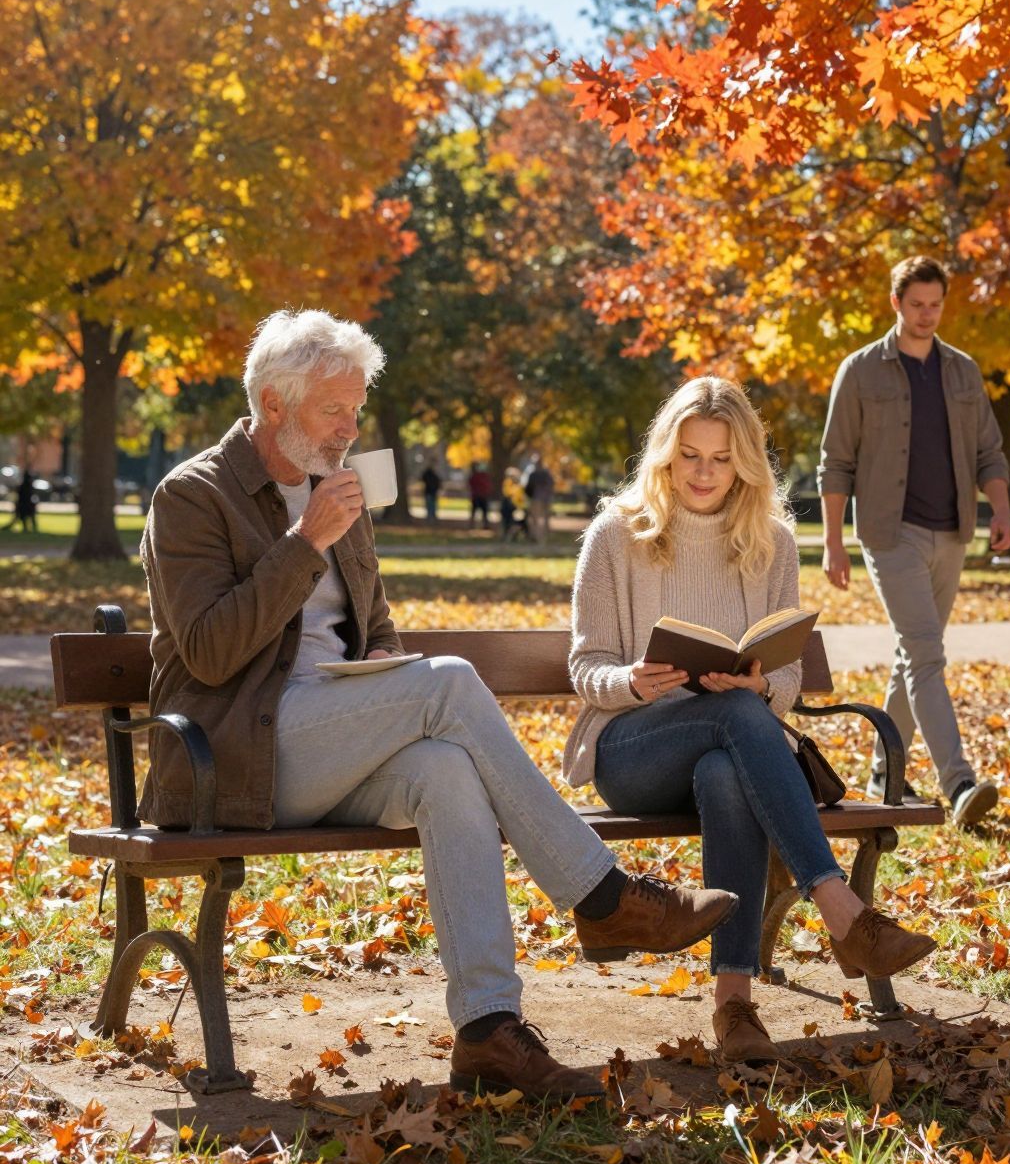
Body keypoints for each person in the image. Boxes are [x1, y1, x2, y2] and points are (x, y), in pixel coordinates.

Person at [139, 309, 736, 1100]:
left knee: (445, 770)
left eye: (357, 409)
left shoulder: (336, 490)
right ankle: (601, 895)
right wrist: (304, 544)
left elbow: (375, 625)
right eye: (334, 410)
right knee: (450, 680)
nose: (352, 429)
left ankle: (488, 1030)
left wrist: (380, 661)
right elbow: (210, 652)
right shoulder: (193, 496)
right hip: (237, 760)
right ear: (274, 404)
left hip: (335, 744)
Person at [566, 376, 935, 1067]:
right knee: (734, 721)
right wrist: (631, 681)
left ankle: (733, 1004)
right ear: (665, 454)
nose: (704, 473)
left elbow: (785, 677)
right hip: (634, 750)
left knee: (726, 769)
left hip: (730, 751)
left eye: (722, 458)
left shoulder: (770, 542)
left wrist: (761, 685)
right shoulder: (616, 534)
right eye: (689, 456)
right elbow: (586, 667)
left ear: (746, 463)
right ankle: (842, 911)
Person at [818, 254, 1010, 831]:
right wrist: (833, 541)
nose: (927, 315)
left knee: (914, 652)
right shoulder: (860, 371)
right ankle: (959, 782)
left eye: (935, 305)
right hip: (889, 533)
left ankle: (886, 772)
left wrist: (1002, 509)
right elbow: (836, 462)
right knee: (927, 653)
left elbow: (989, 451)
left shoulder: (963, 371)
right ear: (896, 303)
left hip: (952, 531)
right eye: (916, 305)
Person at [523, 454, 555, 542]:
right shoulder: (546, 473)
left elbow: (528, 487)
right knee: (543, 519)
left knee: (536, 519)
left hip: (537, 498)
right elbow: (551, 484)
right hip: (545, 498)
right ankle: (542, 537)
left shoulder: (533, 474)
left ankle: (537, 537)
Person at [7, 468, 38, 533]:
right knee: (28, 517)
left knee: (24, 517)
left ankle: (27, 528)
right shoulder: (28, 486)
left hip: (24, 504)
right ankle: (30, 528)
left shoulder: (24, 486)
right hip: (26, 504)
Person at [468, 461, 492, 529]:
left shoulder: (475, 476)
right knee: (484, 512)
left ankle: (472, 525)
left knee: (475, 512)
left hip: (477, 496)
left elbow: (470, 484)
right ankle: (485, 525)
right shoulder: (485, 477)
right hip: (482, 496)